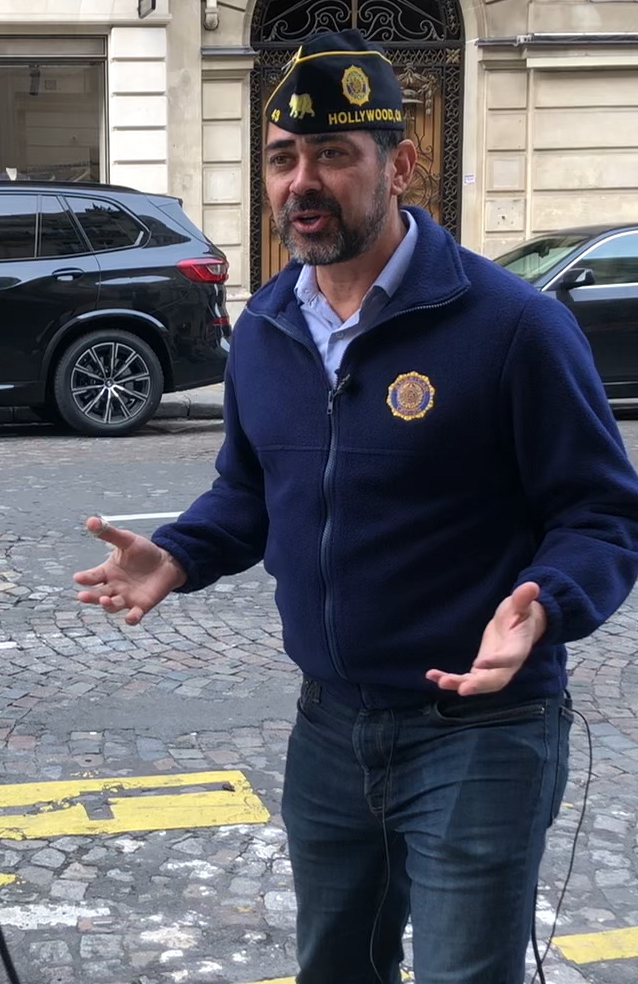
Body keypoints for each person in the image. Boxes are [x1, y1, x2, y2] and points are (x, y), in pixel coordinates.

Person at [73, 28, 638, 984]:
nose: (304, 182)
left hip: (482, 731)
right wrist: (180, 553)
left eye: (335, 154)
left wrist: (548, 598)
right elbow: (250, 489)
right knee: (336, 968)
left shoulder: (515, 328)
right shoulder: (266, 326)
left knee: (466, 973)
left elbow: (603, 513)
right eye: (285, 158)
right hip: (331, 729)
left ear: (400, 164)